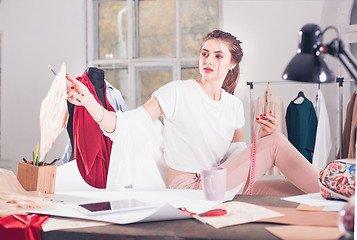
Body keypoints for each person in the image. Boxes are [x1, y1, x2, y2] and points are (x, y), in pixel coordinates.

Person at [66, 29, 320, 194]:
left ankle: (336, 194)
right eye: (204, 53)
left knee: (299, 189)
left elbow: (237, 155)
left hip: (222, 181)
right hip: (191, 187)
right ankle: (339, 188)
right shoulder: (177, 92)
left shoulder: (233, 105)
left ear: (232, 64)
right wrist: (89, 101)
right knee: (279, 143)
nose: (208, 60)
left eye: (218, 56)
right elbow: (125, 126)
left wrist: (263, 138)